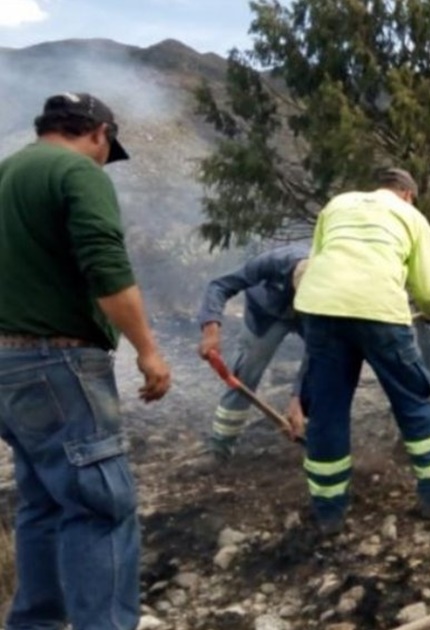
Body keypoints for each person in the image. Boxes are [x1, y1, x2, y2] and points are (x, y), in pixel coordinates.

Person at [0, 93, 172, 629]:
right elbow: (105, 265)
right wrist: (147, 350)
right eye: (106, 148)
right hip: (57, 363)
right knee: (101, 506)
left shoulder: (7, 171)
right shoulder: (76, 172)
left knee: (45, 503)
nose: (104, 159)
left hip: (6, 365)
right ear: (97, 132)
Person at [294, 167, 430, 534]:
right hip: (380, 312)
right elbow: (428, 288)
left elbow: (315, 260)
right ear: (408, 194)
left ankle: (329, 511)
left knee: (327, 410)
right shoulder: (412, 217)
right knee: (412, 399)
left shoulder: (337, 205)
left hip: (321, 309)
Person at [196, 244, 309, 459]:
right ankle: (220, 448)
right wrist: (211, 330)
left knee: (319, 374)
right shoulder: (275, 261)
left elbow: (316, 353)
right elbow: (219, 286)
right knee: (244, 374)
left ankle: (309, 439)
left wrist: (298, 398)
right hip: (265, 317)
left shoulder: (329, 288)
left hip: (311, 318)